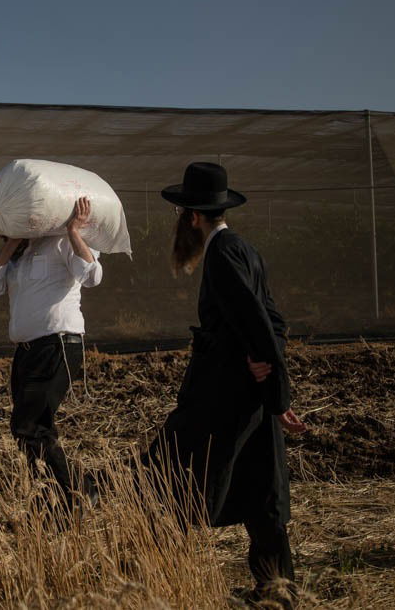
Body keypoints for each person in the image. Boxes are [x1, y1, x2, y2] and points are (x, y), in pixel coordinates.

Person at [145, 161, 307, 601]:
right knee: (260, 488)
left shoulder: (221, 253)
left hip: (222, 396)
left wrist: (266, 377)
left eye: (183, 213)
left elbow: (256, 321)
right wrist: (273, 388)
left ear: (193, 216)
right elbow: (273, 321)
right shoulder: (244, 248)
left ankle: (165, 581)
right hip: (250, 393)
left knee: (171, 470)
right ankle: (277, 587)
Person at [0, 197, 102, 509]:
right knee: (31, 428)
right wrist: (13, 242)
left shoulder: (60, 244)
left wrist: (74, 231)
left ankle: (79, 490)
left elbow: (92, 276)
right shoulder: (18, 257)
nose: (5, 238)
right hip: (27, 352)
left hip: (57, 345)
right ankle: (56, 495)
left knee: (29, 425)